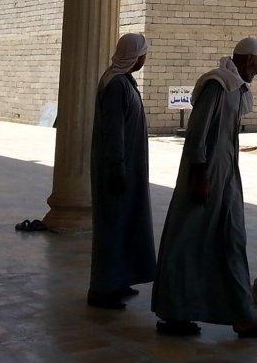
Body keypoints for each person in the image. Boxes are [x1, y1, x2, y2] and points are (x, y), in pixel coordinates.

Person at [152, 37, 257, 339]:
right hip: (205, 178)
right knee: (188, 242)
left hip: (224, 177)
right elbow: (197, 135)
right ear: (247, 60)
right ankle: (178, 313)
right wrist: (200, 178)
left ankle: (239, 315)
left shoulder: (235, 89)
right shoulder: (217, 85)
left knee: (229, 241)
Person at [88, 32, 156, 309]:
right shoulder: (116, 85)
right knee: (113, 227)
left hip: (128, 167)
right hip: (117, 168)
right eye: (142, 54)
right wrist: (117, 167)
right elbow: (114, 131)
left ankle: (119, 279)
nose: (144, 58)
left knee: (125, 224)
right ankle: (103, 288)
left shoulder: (123, 80)